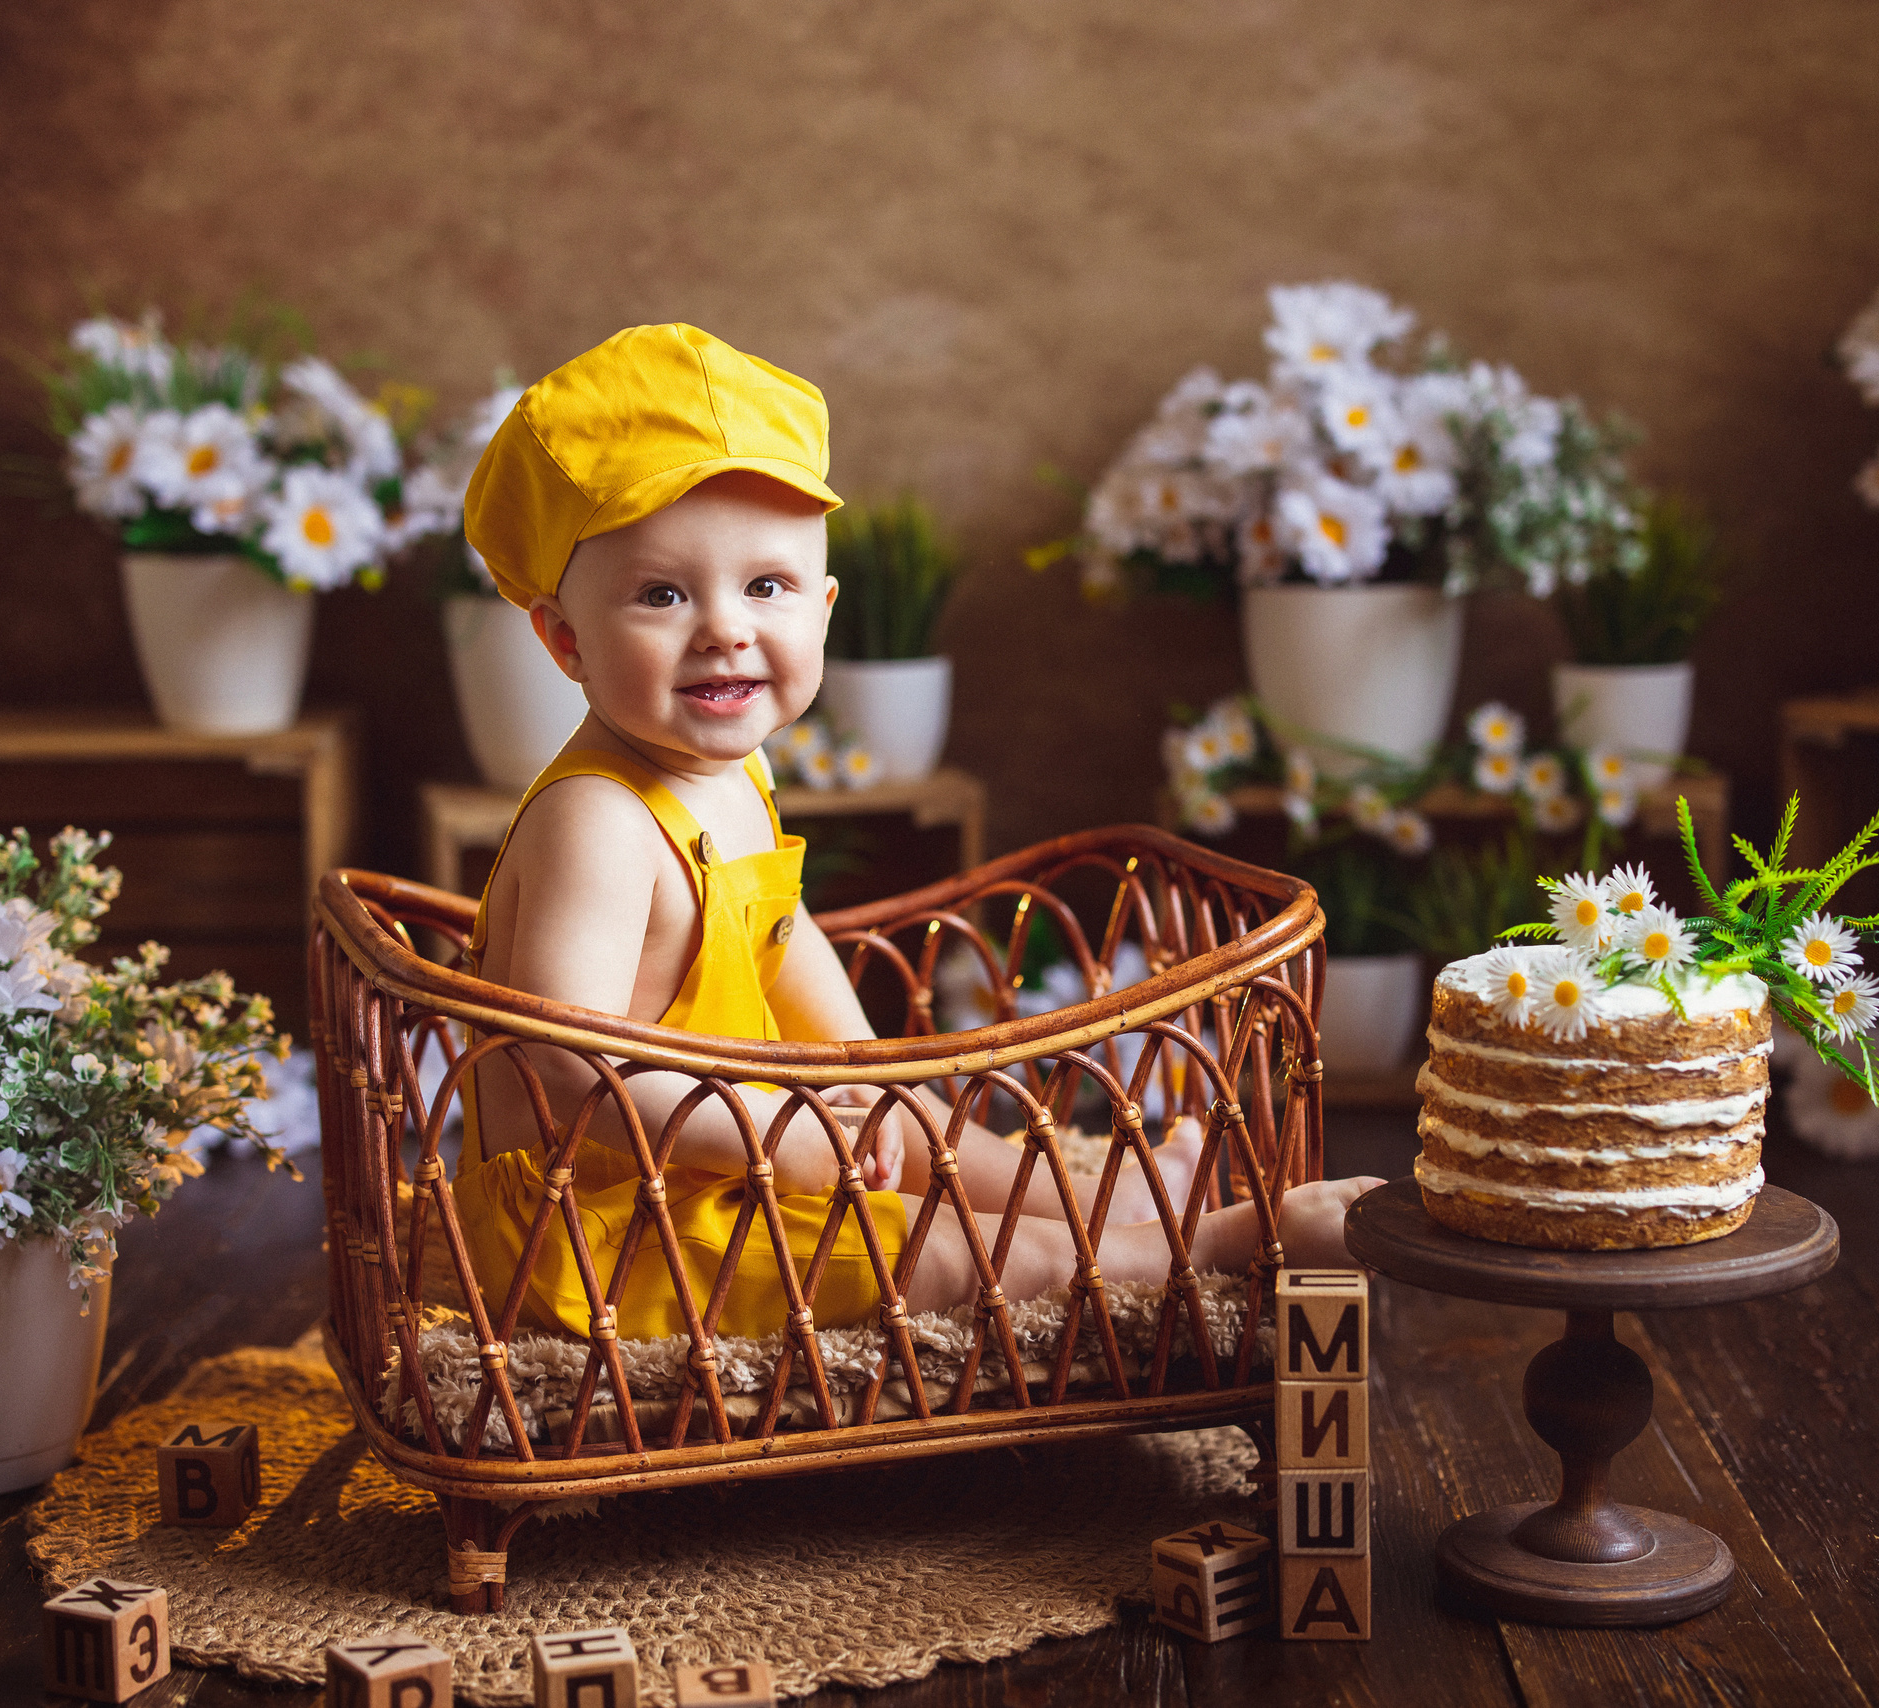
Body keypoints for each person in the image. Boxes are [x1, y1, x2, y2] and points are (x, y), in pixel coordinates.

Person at [449, 322, 1376, 1342]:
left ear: (823, 610)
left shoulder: (734, 773)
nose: (725, 628)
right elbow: (568, 1063)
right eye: (663, 594)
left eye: (767, 586)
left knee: (910, 1119)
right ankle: (1216, 1243)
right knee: (936, 1250)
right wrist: (771, 1130)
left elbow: (778, 934)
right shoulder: (596, 820)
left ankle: (1106, 1199)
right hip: (605, 1226)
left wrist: (861, 1074)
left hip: (715, 1152)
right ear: (566, 638)